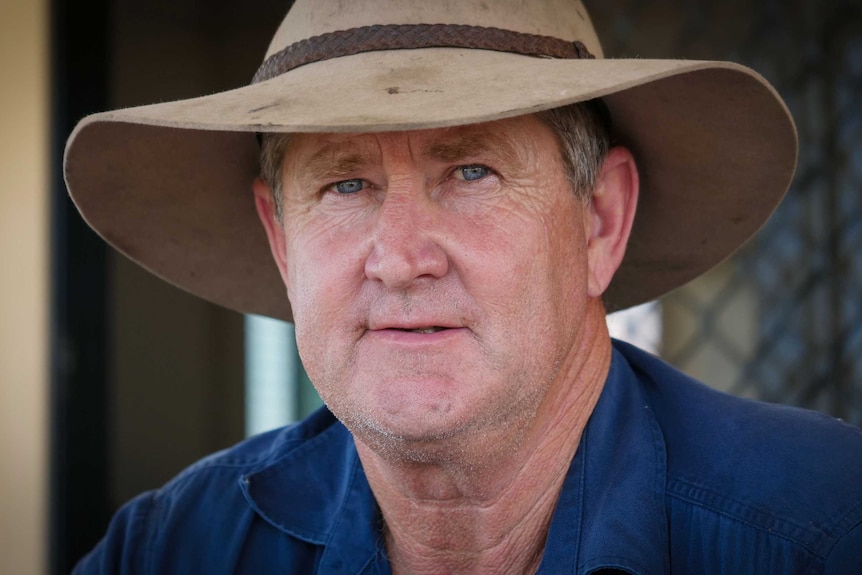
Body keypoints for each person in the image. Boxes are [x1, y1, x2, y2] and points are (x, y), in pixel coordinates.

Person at [65, 0, 862, 573]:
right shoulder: (174, 546)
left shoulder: (825, 526)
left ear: (600, 220)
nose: (401, 258)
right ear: (281, 239)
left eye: (471, 170)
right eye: (345, 185)